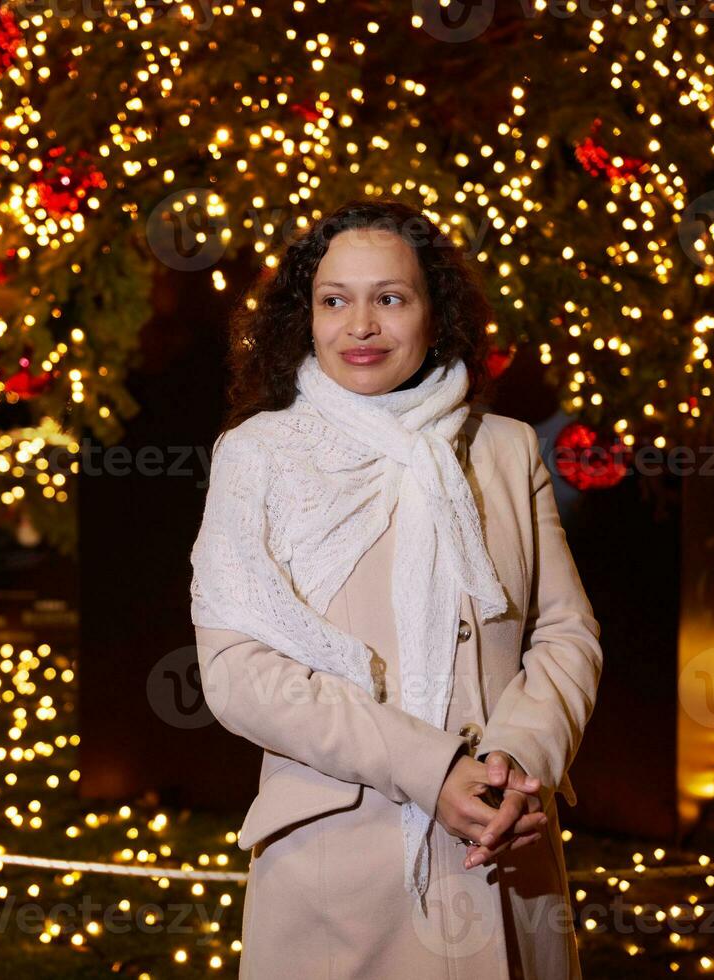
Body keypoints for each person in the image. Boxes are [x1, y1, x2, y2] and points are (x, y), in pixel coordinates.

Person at [188, 199, 603, 977]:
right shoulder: (258, 456)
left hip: (503, 846)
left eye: (390, 297)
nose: (361, 326)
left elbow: (564, 634)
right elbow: (236, 669)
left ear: (433, 313)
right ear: (304, 319)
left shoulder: (506, 450)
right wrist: (430, 769)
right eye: (334, 300)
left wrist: (516, 759)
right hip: (336, 867)